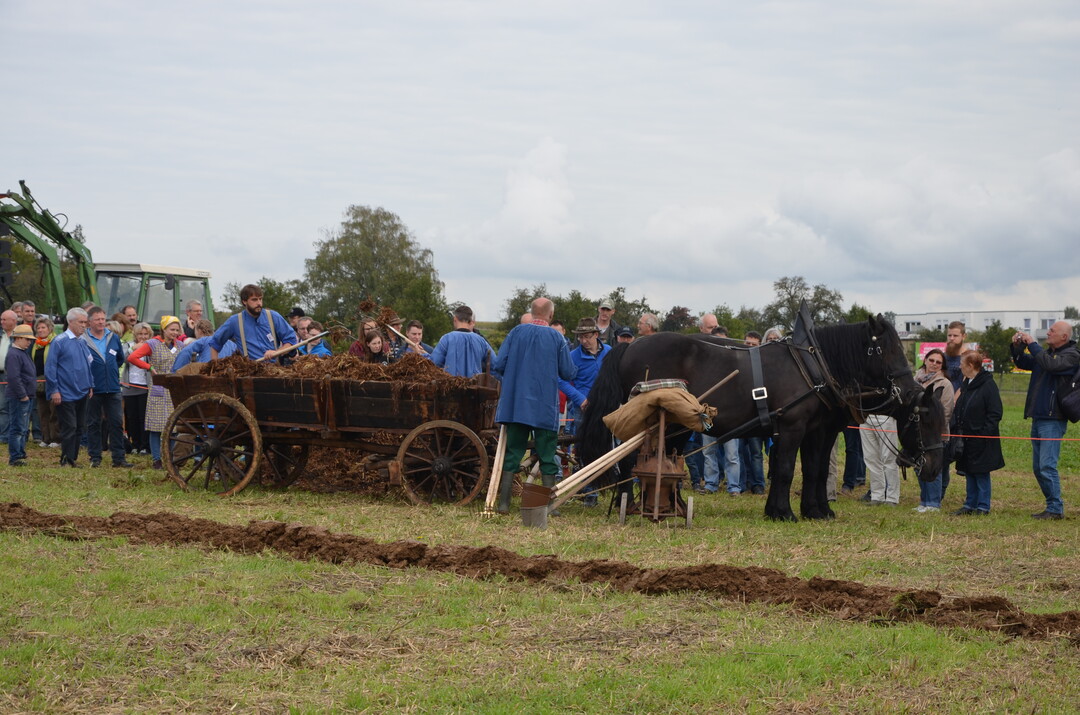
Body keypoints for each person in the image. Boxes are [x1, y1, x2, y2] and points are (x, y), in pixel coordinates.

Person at [491, 297, 576, 513]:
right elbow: (567, 372)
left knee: (512, 454)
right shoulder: (557, 338)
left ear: (532, 311)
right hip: (544, 409)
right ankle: (548, 506)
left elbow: (498, 364)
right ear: (550, 315)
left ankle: (504, 503)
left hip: (516, 407)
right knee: (548, 456)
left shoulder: (515, 333)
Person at [1011, 320, 1080, 520]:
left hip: (1054, 419)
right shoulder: (1046, 355)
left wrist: (1032, 343)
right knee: (1038, 467)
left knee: (1047, 466)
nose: (1047, 332)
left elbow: (1051, 366)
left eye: (1052, 330)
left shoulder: (1072, 356)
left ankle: (1056, 508)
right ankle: (1052, 506)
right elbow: (1023, 363)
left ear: (1064, 337)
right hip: (1039, 417)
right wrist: (1018, 347)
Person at [127, 316, 185, 469]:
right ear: (164, 329)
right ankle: (157, 459)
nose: (175, 332)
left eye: (177, 330)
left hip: (174, 389)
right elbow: (133, 357)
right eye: (172, 329)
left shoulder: (180, 345)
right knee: (156, 426)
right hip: (158, 388)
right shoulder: (152, 344)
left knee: (173, 425)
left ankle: (169, 456)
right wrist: (149, 367)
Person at [951, 351, 1004, 516]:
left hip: (981, 438)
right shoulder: (967, 383)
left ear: (971, 366)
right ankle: (969, 505)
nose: (960, 366)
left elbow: (995, 413)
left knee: (980, 473)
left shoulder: (988, 385)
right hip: (966, 437)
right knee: (969, 471)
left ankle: (982, 507)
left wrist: (983, 434)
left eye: (962, 363)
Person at [82, 306, 132, 468]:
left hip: (113, 388)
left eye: (103, 319)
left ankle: (119, 458)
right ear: (89, 321)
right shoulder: (83, 340)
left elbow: (119, 359)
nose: (101, 322)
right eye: (97, 319)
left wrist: (108, 371)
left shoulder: (113, 338)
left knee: (116, 423)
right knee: (93, 423)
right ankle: (95, 457)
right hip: (93, 388)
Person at [44, 307, 94, 467]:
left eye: (85, 322)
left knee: (80, 426)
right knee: (69, 426)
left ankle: (73, 458)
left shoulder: (82, 341)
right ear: (70, 322)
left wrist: (90, 384)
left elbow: (88, 363)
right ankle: (66, 458)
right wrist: (54, 389)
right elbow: (50, 368)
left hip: (83, 391)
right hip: (65, 392)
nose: (84, 325)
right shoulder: (59, 342)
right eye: (81, 322)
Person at [913, 348, 955, 512]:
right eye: (932, 360)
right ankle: (924, 501)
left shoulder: (944, 384)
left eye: (939, 362)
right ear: (925, 360)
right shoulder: (915, 380)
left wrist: (932, 430)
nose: (934, 364)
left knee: (934, 468)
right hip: (916, 435)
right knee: (919, 467)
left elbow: (946, 411)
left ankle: (933, 503)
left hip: (936, 435)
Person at [207, 284, 296, 360]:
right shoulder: (235, 321)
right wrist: (215, 366)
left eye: (260, 299)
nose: (259, 303)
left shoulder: (273, 317)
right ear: (244, 301)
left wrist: (276, 352)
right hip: (249, 374)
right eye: (254, 300)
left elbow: (291, 340)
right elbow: (215, 343)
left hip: (275, 371)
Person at [429, 306, 496, 378]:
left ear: (455, 319)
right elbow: (495, 365)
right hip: (475, 386)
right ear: (470, 321)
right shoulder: (481, 341)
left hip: (451, 386)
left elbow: (434, 363)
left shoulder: (447, 339)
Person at [5, 324, 37, 466]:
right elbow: (14, 377)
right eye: (26, 339)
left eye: (30, 339)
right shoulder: (14, 354)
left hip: (27, 395)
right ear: (17, 338)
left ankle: (20, 452)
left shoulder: (21, 352)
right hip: (20, 397)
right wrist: (23, 395)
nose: (29, 342)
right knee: (17, 427)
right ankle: (15, 457)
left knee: (23, 427)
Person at [121, 322, 153, 455]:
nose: (143, 337)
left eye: (146, 334)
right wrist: (134, 349)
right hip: (130, 386)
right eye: (140, 334)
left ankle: (145, 446)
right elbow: (123, 359)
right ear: (135, 334)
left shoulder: (153, 346)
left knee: (144, 417)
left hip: (145, 386)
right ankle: (135, 444)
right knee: (132, 417)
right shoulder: (127, 345)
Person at [31, 317, 60, 448]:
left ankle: (56, 438)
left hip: (52, 380)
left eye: (43, 327)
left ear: (50, 329)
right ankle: (45, 437)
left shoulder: (56, 342)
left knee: (54, 410)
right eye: (38, 328)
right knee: (42, 411)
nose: (41, 330)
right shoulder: (34, 344)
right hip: (38, 381)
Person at [862, 413, 900, 506]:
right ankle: (877, 496)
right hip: (865, 417)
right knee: (871, 458)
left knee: (889, 459)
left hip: (886, 417)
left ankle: (892, 497)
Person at [172, 319, 237, 370]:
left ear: (199, 331)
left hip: (208, 376)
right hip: (227, 377)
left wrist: (176, 372)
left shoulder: (204, 340)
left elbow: (185, 352)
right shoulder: (231, 344)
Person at [0, 309, 18, 444]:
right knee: (2, 406)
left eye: (4, 319)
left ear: (13, 321)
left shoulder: (20, 336)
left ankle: (14, 434)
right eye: (1, 319)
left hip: (14, 377)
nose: (1, 322)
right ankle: (4, 435)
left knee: (14, 406)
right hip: (1, 376)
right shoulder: (0, 335)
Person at [944, 321, 967, 392]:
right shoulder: (942, 356)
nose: (951, 338)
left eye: (955, 336)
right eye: (949, 335)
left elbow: (966, 384)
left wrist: (954, 400)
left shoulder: (969, 357)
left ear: (964, 336)